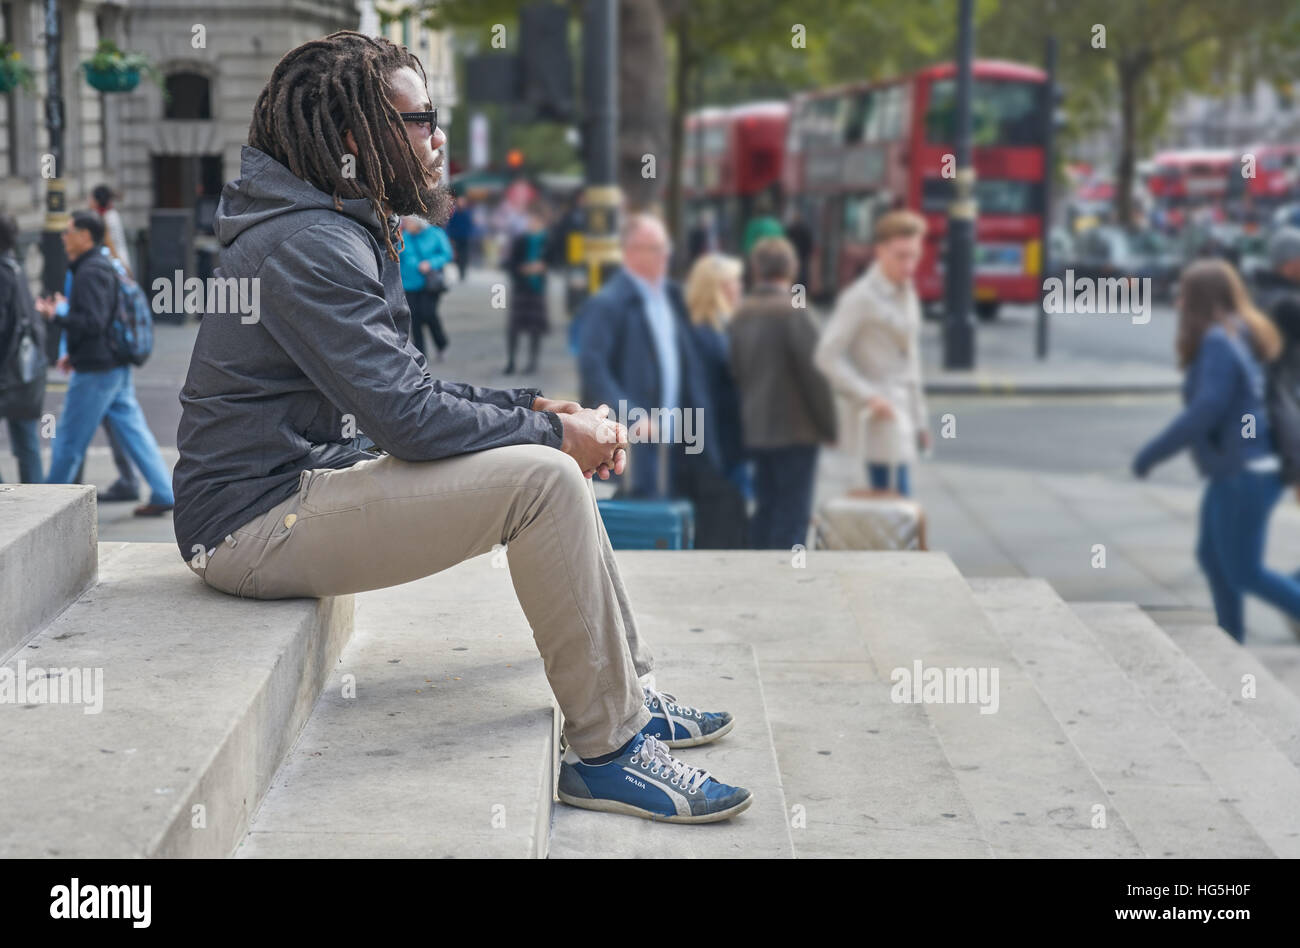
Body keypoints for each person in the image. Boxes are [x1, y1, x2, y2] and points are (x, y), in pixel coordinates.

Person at [171, 31, 750, 824]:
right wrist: (553, 441)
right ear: (354, 136)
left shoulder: (332, 220)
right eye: (422, 120)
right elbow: (408, 417)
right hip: (249, 525)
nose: (438, 138)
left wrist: (540, 412)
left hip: (308, 481)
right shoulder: (310, 241)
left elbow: (403, 389)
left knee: (544, 451)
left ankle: (633, 697)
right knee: (543, 479)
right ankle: (608, 753)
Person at [1133, 259, 1300, 644]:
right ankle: (1231, 639)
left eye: (1184, 294)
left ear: (1201, 299)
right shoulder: (1238, 330)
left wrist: (1153, 453)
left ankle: (1233, 636)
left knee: (1244, 571)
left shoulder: (1218, 342)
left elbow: (1206, 409)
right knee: (1211, 558)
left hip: (1245, 473)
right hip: (1242, 470)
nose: (1177, 301)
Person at [577, 214, 729, 521]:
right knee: (642, 524)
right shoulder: (609, 303)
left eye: (665, 248)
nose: (665, 256)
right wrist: (632, 415)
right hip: (638, 444)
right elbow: (594, 368)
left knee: (680, 524)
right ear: (631, 251)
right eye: (655, 248)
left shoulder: (673, 296)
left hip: (683, 439)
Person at [34, 211, 174, 516]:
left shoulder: (89, 271)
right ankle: (164, 491)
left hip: (97, 370)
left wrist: (56, 313)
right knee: (135, 432)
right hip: (113, 364)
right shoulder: (102, 265)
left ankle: (43, 505)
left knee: (69, 440)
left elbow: (92, 322)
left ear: (85, 235)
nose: (63, 236)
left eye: (69, 231)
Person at [728, 237, 837, 549]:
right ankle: (784, 582)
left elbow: (736, 370)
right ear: (792, 269)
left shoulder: (741, 315)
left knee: (766, 508)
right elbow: (816, 377)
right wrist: (829, 426)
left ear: (756, 270)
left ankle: (760, 575)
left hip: (756, 430)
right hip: (796, 432)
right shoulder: (795, 312)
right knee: (793, 513)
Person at [814, 209, 931, 495]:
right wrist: (869, 396)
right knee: (889, 521)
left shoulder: (908, 292)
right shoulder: (860, 297)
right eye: (900, 255)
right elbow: (826, 355)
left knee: (900, 521)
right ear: (879, 251)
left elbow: (911, 362)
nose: (908, 264)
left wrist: (921, 421)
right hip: (875, 428)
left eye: (914, 255)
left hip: (902, 421)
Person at [682, 251, 748, 548]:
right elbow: (699, 398)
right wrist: (710, 457)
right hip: (719, 451)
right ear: (717, 288)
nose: (740, 288)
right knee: (722, 529)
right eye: (735, 282)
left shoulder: (722, 328)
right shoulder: (704, 334)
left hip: (729, 447)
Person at [0, 213, 46, 484]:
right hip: (25, 372)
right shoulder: (14, 269)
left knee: (26, 441)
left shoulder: (3, 273)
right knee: (26, 442)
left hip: (9, 373)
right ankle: (38, 500)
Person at [503, 203, 551, 374]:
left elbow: (556, 260)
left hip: (537, 289)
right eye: (531, 220)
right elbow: (508, 263)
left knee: (535, 328)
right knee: (514, 328)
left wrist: (543, 266)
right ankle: (511, 361)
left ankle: (532, 362)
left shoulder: (547, 241)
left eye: (536, 220)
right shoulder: (520, 240)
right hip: (521, 288)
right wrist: (522, 269)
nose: (533, 223)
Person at [398, 214, 452, 361]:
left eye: (408, 221)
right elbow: (397, 258)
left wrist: (431, 263)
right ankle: (420, 353)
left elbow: (447, 254)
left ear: (418, 222)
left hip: (430, 284)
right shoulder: (404, 236)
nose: (405, 223)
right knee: (414, 317)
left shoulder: (435, 234)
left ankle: (441, 343)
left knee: (428, 313)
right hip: (409, 283)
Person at [90, 184, 132, 278]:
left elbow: (110, 243)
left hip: (116, 263)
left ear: (97, 201)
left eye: (91, 199)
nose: (89, 202)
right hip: (118, 260)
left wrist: (123, 266)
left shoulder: (107, 217)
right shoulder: (111, 214)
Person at [445, 193, 475, 278]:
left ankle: (463, 270)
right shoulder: (454, 214)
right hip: (456, 237)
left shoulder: (467, 213)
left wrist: (470, 234)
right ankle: (459, 270)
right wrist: (450, 235)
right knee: (457, 255)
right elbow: (450, 225)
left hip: (465, 237)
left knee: (464, 254)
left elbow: (470, 225)